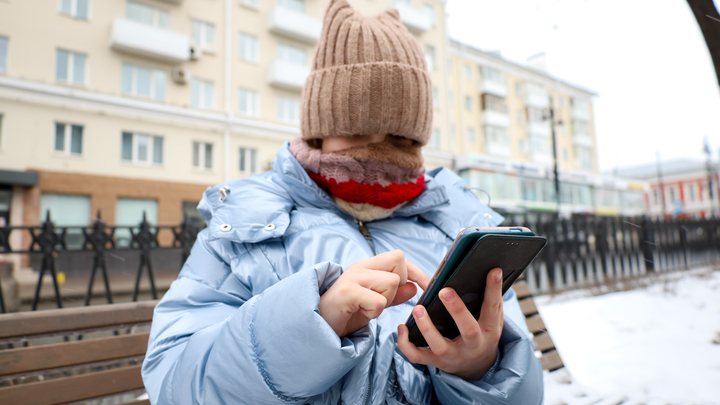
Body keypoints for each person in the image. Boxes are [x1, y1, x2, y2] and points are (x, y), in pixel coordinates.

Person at [141, 1, 544, 404]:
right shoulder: (245, 226)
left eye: (400, 138)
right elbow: (174, 383)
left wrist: (480, 369)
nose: (378, 152)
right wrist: (310, 328)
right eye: (356, 132)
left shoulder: (455, 227)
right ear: (319, 131)